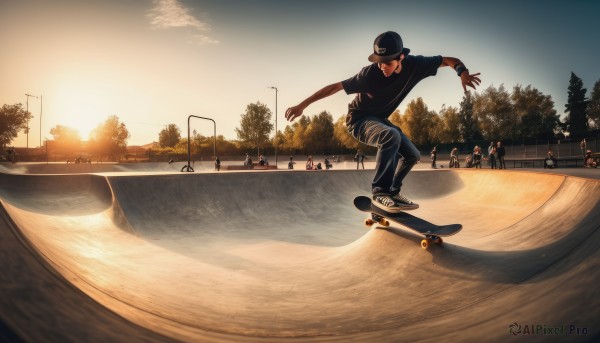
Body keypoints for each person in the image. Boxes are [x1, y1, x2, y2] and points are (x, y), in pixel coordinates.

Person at [285, 31, 480, 212]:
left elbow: (447, 60)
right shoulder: (369, 74)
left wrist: (462, 72)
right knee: (390, 135)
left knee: (412, 155)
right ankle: (380, 192)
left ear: (400, 58)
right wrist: (302, 105)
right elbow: (335, 87)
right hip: (358, 120)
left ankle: (393, 192)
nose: (382, 67)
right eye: (379, 62)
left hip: (379, 120)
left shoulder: (416, 65)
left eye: (387, 63)